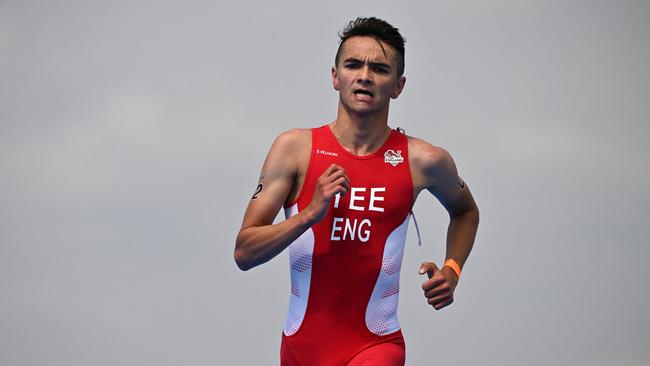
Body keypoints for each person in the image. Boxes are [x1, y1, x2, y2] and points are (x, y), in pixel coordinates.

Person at [234, 17, 479, 366]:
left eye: (379, 68)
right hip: (301, 350)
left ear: (398, 86)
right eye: (353, 65)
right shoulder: (295, 149)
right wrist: (308, 215)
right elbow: (244, 252)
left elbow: (466, 211)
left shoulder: (424, 160)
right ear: (335, 76)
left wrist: (452, 270)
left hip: (377, 345)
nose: (365, 75)